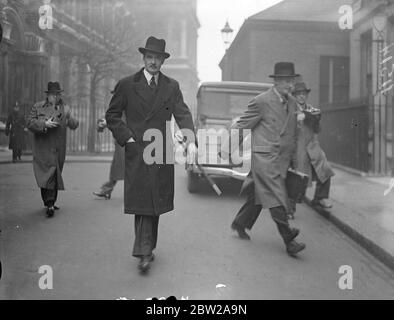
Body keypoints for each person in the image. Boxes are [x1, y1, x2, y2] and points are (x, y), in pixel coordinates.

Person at [106, 36, 197, 273]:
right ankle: (144, 252)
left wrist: (191, 141)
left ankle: (148, 247)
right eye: (149, 57)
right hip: (137, 150)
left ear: (163, 61)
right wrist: (127, 138)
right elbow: (112, 115)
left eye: (157, 58)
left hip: (161, 151)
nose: (153, 62)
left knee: (154, 202)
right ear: (143, 58)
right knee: (144, 201)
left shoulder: (171, 86)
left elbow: (183, 114)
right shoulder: (127, 84)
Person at [221, 62, 306, 257]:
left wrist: (294, 160)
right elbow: (243, 125)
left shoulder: (292, 102)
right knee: (276, 195)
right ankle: (289, 238)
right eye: (285, 81)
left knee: (259, 196)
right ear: (275, 82)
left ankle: (240, 223)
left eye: (291, 81)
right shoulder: (262, 101)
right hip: (264, 157)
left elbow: (293, 134)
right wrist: (226, 150)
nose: (289, 85)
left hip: (282, 160)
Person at [27, 82, 79, 218]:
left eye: (57, 94)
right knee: (47, 174)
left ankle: (51, 201)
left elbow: (74, 125)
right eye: (52, 94)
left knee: (55, 175)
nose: (55, 97)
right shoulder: (38, 107)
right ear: (48, 95)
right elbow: (30, 123)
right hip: (43, 148)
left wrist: (70, 116)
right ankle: (49, 203)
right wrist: (44, 124)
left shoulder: (65, 107)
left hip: (58, 149)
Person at [292, 82, 335, 213]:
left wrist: (315, 120)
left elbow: (318, 129)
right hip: (298, 148)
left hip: (312, 146)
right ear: (294, 96)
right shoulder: (291, 110)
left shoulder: (311, 110)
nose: (301, 97)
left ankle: (320, 198)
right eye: (298, 94)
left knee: (325, 170)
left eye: (303, 94)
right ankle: (290, 208)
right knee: (296, 178)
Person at [93, 117, 125, 199]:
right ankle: (106, 191)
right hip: (121, 143)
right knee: (116, 168)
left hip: (127, 142)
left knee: (123, 168)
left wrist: (108, 122)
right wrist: (102, 123)